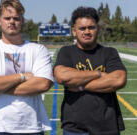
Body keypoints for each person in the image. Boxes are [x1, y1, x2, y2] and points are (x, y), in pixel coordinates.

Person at [0, 0, 54, 135]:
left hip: (31, 127)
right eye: (7, 18)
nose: (11, 21)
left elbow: (43, 84)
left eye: (16, 18)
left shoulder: (38, 49)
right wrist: (21, 76)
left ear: (22, 21)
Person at [54, 7, 127, 135]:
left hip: (107, 127)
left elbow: (118, 80)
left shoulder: (109, 52)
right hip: (74, 128)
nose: (87, 31)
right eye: (82, 28)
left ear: (97, 29)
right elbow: (62, 76)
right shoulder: (66, 52)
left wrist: (80, 86)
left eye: (91, 27)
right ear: (74, 31)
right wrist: (98, 74)